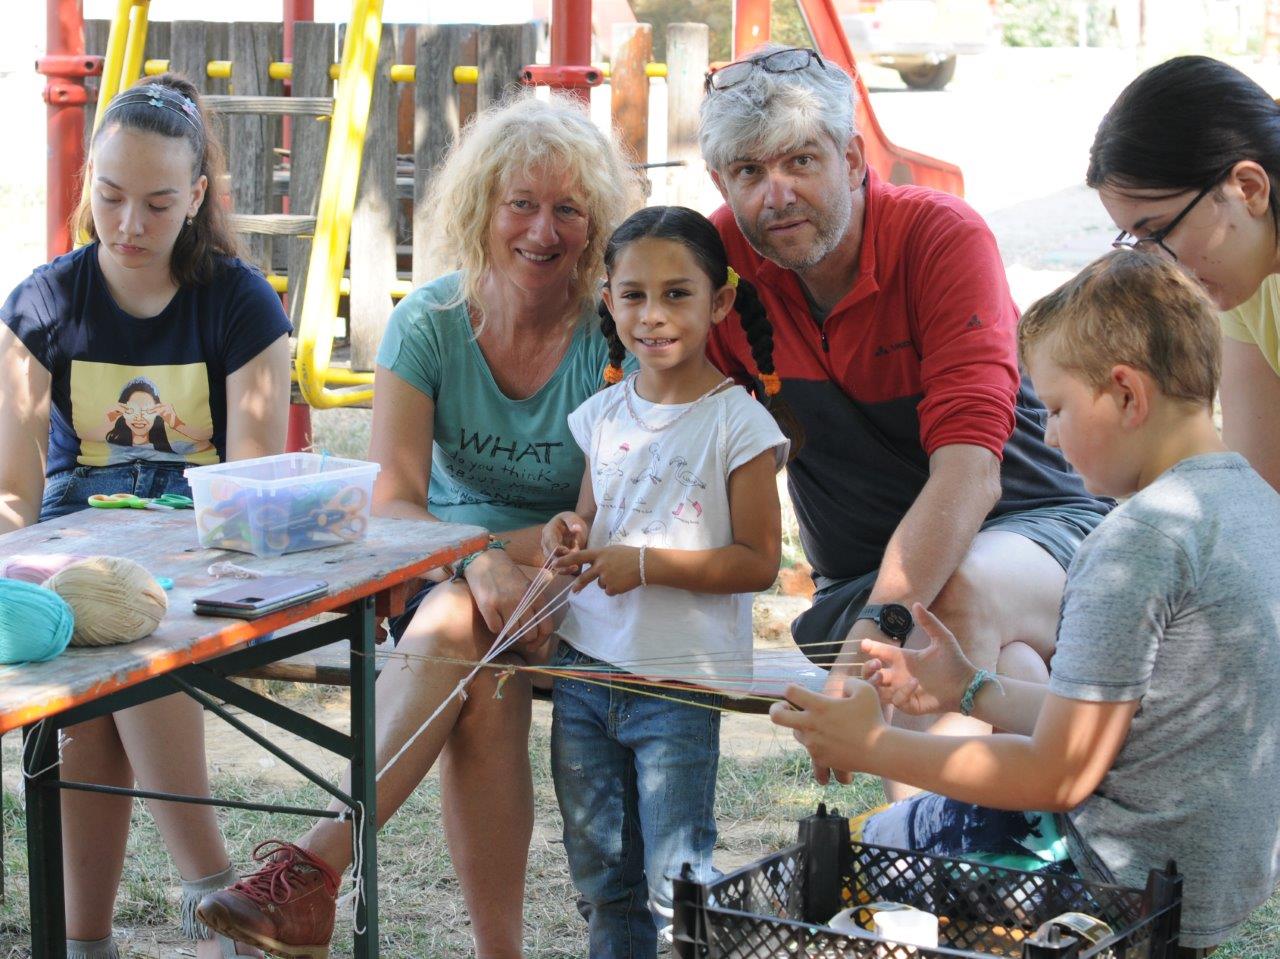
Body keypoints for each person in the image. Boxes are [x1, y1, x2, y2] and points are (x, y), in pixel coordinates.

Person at [196, 93, 639, 959]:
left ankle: (315, 868)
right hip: (440, 572)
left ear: (596, 225)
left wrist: (494, 561)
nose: (541, 231)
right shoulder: (429, 323)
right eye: (520, 203)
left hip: (566, 585)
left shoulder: (609, 335)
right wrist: (472, 562)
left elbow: (594, 520)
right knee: (471, 646)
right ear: (481, 208)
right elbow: (391, 503)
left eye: (567, 209)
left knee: (467, 642)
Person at [770, 249, 1280, 954]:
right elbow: (1136, 723)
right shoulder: (1258, 506)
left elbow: (1058, 775)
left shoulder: (1136, 541)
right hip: (1206, 882)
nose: (1046, 435)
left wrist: (873, 743)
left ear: (1127, 395)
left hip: (1101, 883)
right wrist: (973, 689)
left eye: (1057, 407)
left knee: (843, 865)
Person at [696, 44, 1110, 796]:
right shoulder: (718, 262)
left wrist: (879, 626)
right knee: (1006, 673)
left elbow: (971, 471)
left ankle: (914, 874)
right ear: (720, 181)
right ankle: (990, 885)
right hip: (864, 577)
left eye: (799, 161)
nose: (776, 193)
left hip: (1037, 531)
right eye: (749, 172)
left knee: (947, 605)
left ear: (854, 157)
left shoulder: (941, 237)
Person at [0, 74, 292, 959]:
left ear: (198, 198)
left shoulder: (241, 304)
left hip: (201, 567)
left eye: (159, 204)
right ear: (88, 176)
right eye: (111, 195)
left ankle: (172, 910)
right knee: (105, 646)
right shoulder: (45, 302)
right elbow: (13, 500)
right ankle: (209, 904)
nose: (128, 225)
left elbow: (251, 492)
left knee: (129, 647)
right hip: (73, 566)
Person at [541, 206, 797, 958]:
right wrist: (569, 530)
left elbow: (757, 559)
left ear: (719, 302)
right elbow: (592, 519)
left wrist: (647, 564)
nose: (653, 316)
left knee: (674, 881)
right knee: (601, 877)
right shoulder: (602, 414)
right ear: (608, 301)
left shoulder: (739, 424)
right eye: (633, 295)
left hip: (678, 684)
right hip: (585, 670)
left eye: (677, 294)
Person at [1089, 54, 1280, 492]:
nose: (1157, 264)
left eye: (1159, 230)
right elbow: (1262, 494)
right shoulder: (1243, 282)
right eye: (1137, 239)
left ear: (1248, 188)